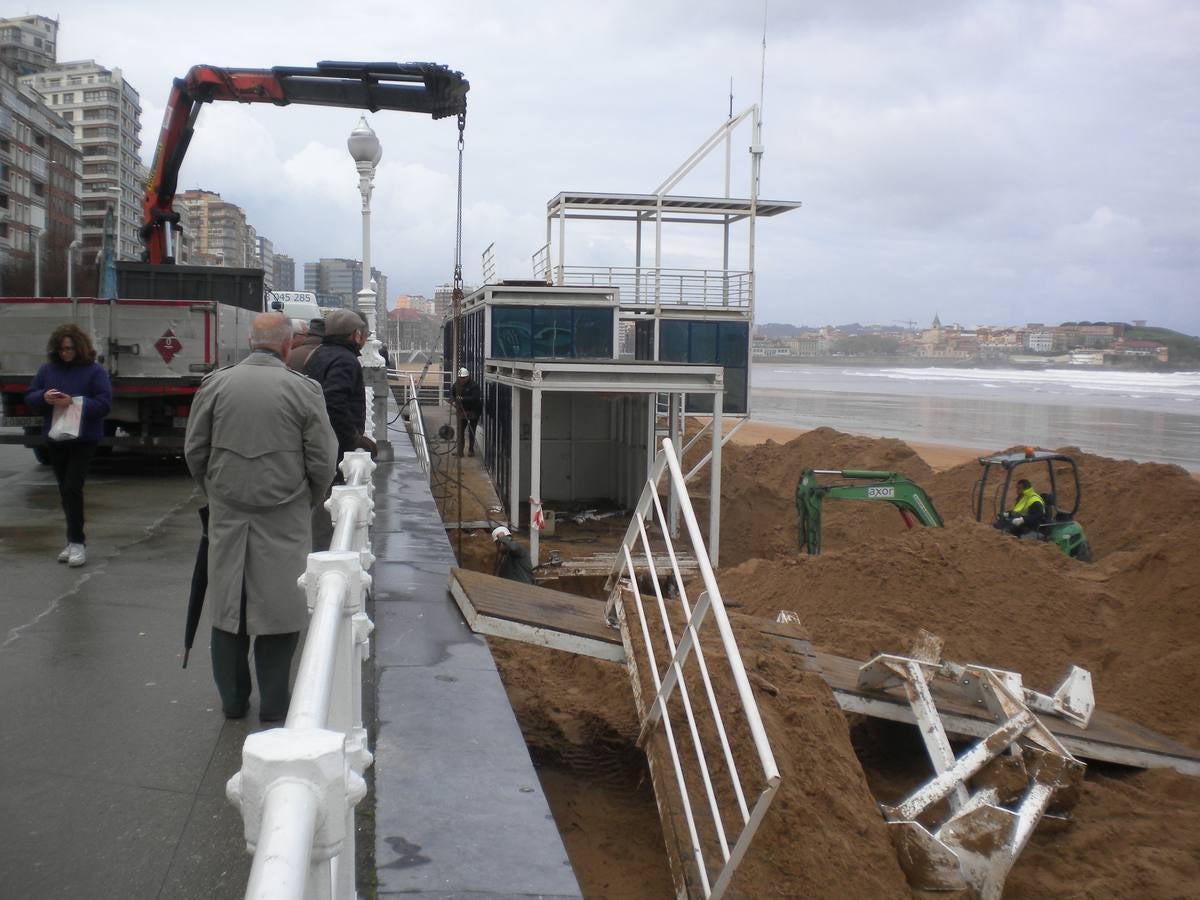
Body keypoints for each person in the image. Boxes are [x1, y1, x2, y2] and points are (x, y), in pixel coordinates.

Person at [184, 313, 337, 721]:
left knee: (227, 610)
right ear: (288, 345)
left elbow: (195, 450)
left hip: (228, 513)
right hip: (284, 515)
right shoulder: (303, 390)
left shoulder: (215, 384)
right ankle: (274, 705)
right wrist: (308, 498)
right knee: (280, 610)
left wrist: (215, 493)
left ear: (251, 342)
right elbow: (323, 459)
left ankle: (233, 702)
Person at [25, 324, 112, 567]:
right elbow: (30, 395)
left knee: (73, 487)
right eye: (62, 349)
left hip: (84, 438)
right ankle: (72, 540)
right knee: (65, 489)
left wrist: (73, 402)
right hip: (56, 437)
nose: (66, 353)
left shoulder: (94, 372)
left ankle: (77, 542)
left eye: (70, 349)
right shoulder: (47, 370)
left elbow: (104, 404)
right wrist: (44, 398)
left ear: (80, 347)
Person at [303, 308, 378, 550]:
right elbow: (334, 403)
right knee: (330, 503)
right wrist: (354, 439)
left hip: (313, 440)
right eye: (364, 333)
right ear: (356, 335)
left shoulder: (318, 354)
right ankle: (325, 549)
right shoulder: (345, 360)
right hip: (333, 447)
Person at [452, 367, 482, 457]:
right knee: (460, 431)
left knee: (471, 431)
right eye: (460, 378)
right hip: (462, 410)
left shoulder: (474, 386)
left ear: (468, 377)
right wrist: (453, 401)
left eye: (463, 378)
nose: (462, 380)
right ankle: (460, 451)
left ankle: (471, 450)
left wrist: (462, 399)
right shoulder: (456, 385)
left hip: (473, 411)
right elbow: (452, 395)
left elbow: (475, 398)